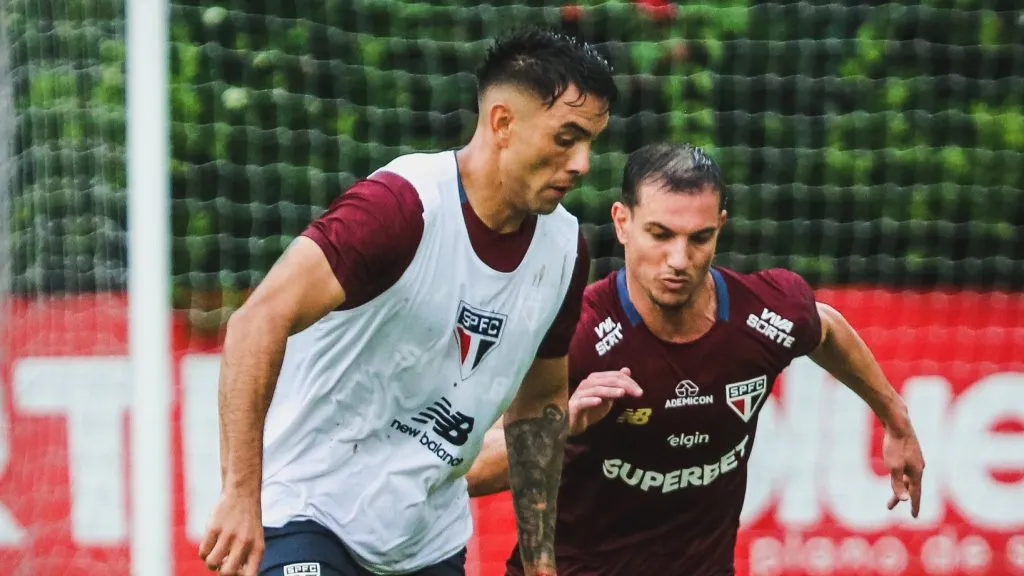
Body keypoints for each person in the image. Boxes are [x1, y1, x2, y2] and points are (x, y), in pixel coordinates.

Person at [198, 29, 619, 576]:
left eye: (592, 141)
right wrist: (239, 495)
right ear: (502, 123)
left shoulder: (564, 251)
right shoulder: (400, 208)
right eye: (567, 137)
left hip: (425, 541)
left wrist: (540, 561)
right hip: (310, 512)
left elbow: (539, 407)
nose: (583, 163)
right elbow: (257, 320)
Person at [466, 142, 927, 575]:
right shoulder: (576, 334)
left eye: (699, 238)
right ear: (622, 222)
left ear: (720, 227)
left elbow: (825, 328)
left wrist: (895, 418)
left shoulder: (763, 313)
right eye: (660, 234)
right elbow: (469, 471)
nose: (679, 259)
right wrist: (562, 423)